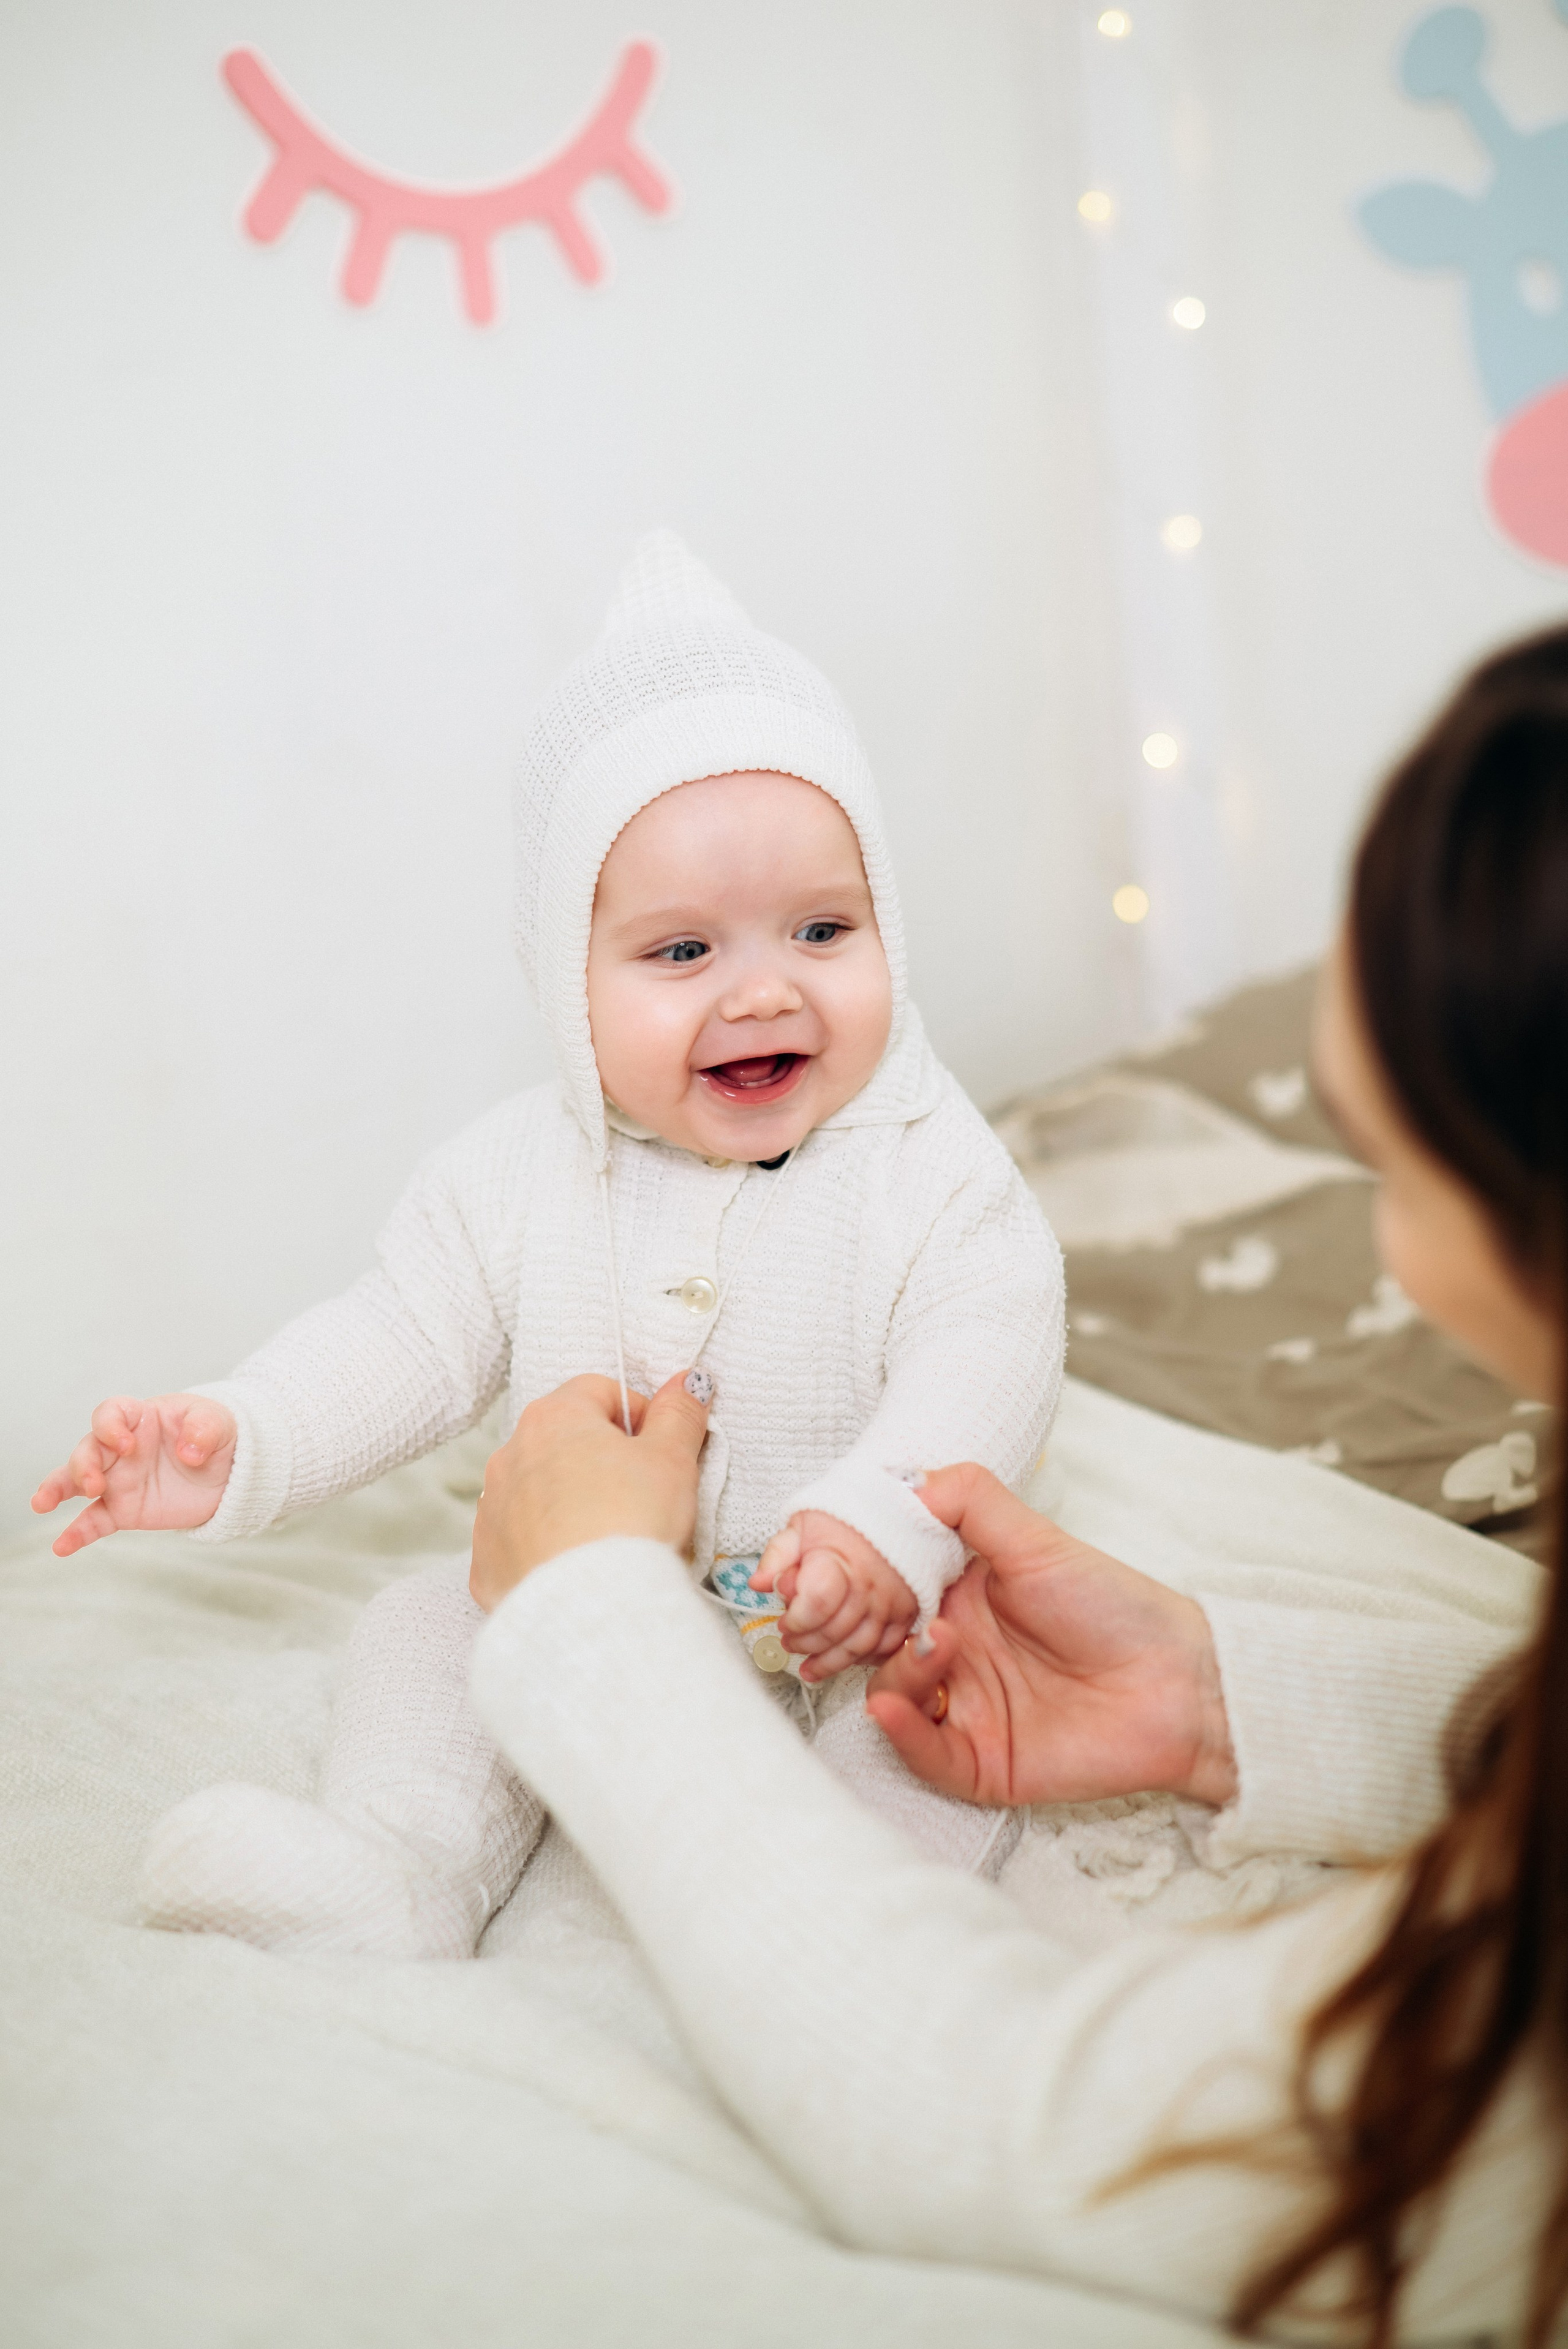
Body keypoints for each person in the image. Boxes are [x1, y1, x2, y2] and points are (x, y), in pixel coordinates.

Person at [461, 627, 1568, 2345]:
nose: (1396, 1270)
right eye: (678, 948)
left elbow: (1025, 2130)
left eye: (1392, 1165)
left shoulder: (946, 1191)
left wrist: (590, 1620)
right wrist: (1225, 1698)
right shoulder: (535, 1188)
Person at [30, 530, 1064, 1957]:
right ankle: (402, 1870)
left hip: (852, 1627)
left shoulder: (926, 1164)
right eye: (682, 952)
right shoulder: (516, 1172)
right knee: (422, 1626)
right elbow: (399, 1334)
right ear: (563, 979)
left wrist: (881, 1526)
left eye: (822, 928)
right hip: (583, 1602)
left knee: (941, 1708)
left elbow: (993, 1338)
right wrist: (240, 1432)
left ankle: (832, 1929)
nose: (762, 989)